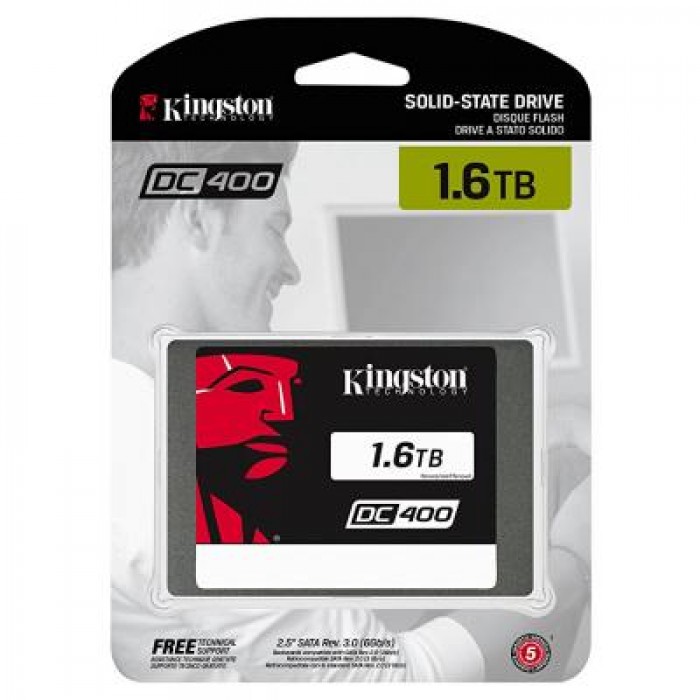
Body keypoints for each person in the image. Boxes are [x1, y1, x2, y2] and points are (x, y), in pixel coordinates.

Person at [111, 140, 485, 681]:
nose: (292, 270)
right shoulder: (184, 467)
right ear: (198, 217)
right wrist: (573, 554)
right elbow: (397, 681)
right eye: (275, 228)